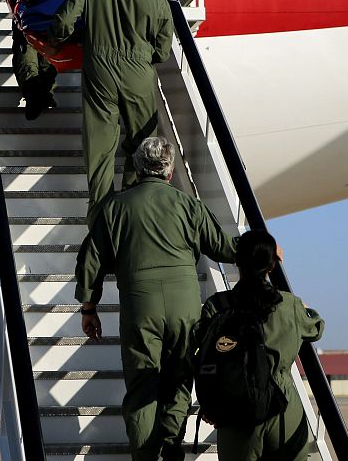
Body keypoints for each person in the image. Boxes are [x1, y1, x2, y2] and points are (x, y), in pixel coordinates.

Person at [75, 136, 239, 461]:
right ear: (170, 170)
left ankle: (144, 455)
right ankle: (171, 438)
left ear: (137, 168)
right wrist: (261, 247)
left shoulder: (115, 207)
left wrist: (89, 307)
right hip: (185, 306)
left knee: (141, 385)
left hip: (140, 306)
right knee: (180, 374)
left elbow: (90, 260)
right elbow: (223, 247)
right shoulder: (188, 205)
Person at [48, 0, 173, 225]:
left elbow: (65, 20)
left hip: (100, 70)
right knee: (143, 142)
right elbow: (162, 51)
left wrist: (55, 43)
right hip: (138, 74)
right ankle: (133, 200)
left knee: (100, 143)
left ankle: (101, 212)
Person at [194, 230, 324, 461]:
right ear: (272, 266)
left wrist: (212, 402)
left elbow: (202, 352)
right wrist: (302, 307)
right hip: (282, 404)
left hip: (236, 406)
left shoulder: (217, 305)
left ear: (236, 261)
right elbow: (317, 328)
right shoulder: (289, 306)